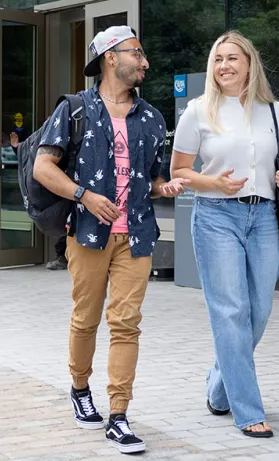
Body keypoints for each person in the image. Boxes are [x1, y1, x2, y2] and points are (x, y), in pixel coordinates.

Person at [33, 25, 189, 455]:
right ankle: (80, 388)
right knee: (86, 318)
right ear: (110, 58)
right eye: (136, 53)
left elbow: (153, 181)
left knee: (126, 324)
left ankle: (119, 415)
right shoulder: (76, 109)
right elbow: (43, 169)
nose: (145, 62)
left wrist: (166, 188)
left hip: (136, 236)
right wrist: (84, 195)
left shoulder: (153, 118)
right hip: (87, 234)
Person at [170, 30, 279, 438]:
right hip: (215, 217)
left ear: (248, 64)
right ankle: (248, 411)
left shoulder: (274, 112)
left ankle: (220, 387)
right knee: (230, 312)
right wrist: (212, 184)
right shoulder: (197, 111)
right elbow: (179, 173)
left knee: (257, 313)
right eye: (218, 59)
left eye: (232, 58)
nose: (223, 65)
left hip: (263, 217)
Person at [11, 131, 68, 270]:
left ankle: (64, 256)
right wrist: (17, 148)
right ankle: (62, 256)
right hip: (59, 190)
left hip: (67, 187)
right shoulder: (47, 135)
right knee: (64, 219)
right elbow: (31, 157)